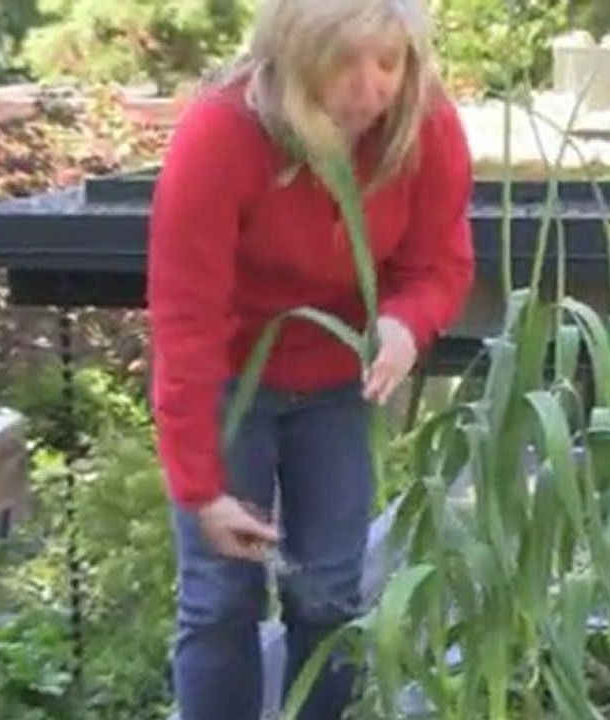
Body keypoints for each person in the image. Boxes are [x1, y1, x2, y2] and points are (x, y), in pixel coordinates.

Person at [145, 0, 475, 717]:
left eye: (388, 63)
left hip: (337, 386)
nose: (371, 87)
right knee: (221, 597)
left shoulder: (426, 126)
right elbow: (185, 322)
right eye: (344, 64)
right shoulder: (221, 135)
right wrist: (201, 490)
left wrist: (406, 325)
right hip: (231, 382)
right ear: (294, 57)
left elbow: (440, 264)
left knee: (327, 592)